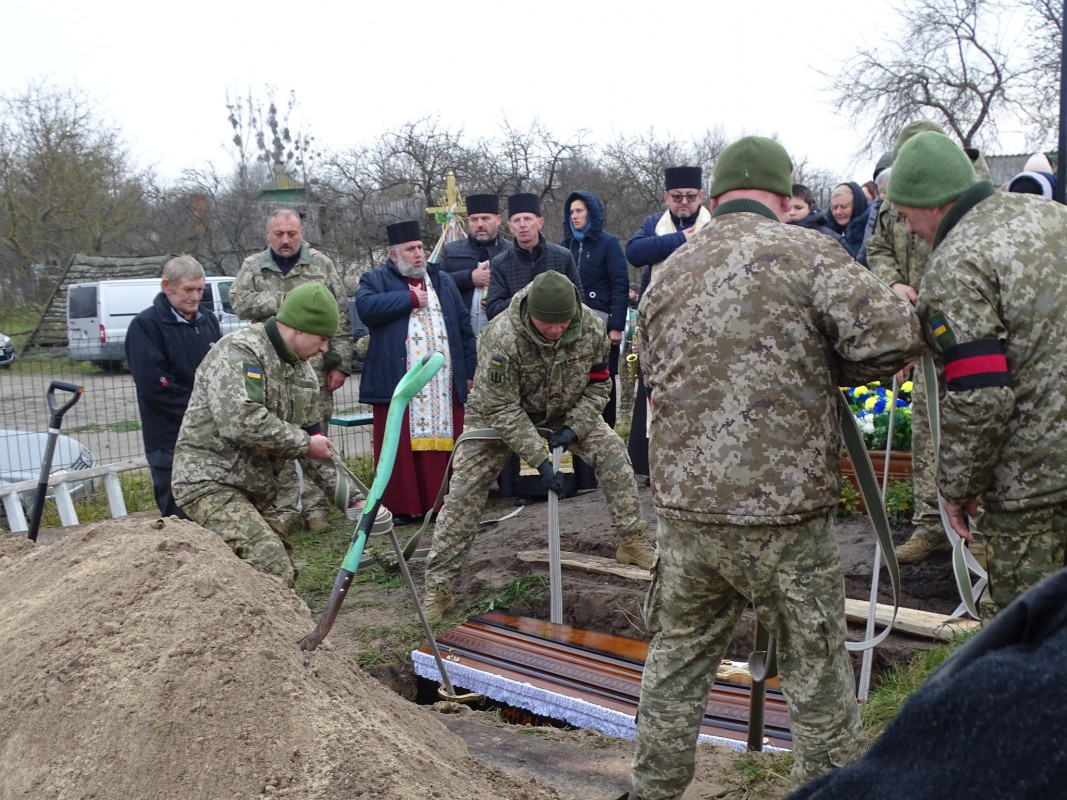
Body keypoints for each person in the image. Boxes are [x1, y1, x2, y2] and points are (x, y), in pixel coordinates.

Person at [624, 136, 921, 798]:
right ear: (785, 197)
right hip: (785, 519)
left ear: (717, 194)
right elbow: (894, 338)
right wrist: (826, 369)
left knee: (675, 662)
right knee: (816, 675)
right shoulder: (809, 251)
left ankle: (651, 789)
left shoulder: (666, 273)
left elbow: (646, 381)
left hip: (686, 518)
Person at [886, 129, 1067, 621]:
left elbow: (981, 393)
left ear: (932, 202)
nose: (908, 231)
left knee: (1024, 637)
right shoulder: (1054, 217)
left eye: (905, 216)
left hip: (1031, 488)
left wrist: (955, 488)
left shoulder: (955, 263)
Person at [420, 271, 657, 623]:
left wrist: (575, 426)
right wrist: (540, 458)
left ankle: (632, 540)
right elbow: (501, 407)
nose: (555, 331)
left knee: (612, 452)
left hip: (564, 412)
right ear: (531, 314)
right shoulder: (502, 336)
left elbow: (599, 385)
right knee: (465, 493)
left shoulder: (591, 328)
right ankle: (439, 586)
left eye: (562, 324)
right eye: (547, 325)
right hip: (497, 415)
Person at [173, 283, 360, 587]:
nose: (326, 349)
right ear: (299, 329)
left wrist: (355, 502)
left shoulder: (303, 374)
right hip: (208, 481)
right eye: (323, 338)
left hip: (253, 489)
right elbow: (240, 420)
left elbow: (316, 449)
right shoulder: (241, 350)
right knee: (271, 566)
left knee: (273, 571)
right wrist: (303, 443)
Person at [867, 120, 990, 566]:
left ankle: (980, 530)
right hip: (923, 327)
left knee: (975, 414)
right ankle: (930, 525)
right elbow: (877, 248)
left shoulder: (972, 196)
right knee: (926, 426)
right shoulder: (888, 206)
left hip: (969, 326)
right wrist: (894, 283)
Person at [229, 209, 353, 533]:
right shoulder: (253, 266)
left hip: (314, 369)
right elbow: (239, 301)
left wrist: (339, 363)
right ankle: (285, 509)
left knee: (315, 435)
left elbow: (339, 315)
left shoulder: (321, 265)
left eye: (292, 234)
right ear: (268, 235)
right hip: (270, 368)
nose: (286, 240)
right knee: (276, 436)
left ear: (302, 233)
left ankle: (317, 508)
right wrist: (287, 303)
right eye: (279, 234)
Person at [356, 220, 477, 526]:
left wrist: (469, 371)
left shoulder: (442, 280)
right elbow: (366, 308)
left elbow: (464, 329)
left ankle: (442, 506)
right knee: (399, 448)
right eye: (410, 249)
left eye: (420, 247)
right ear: (394, 255)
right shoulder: (375, 279)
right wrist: (409, 300)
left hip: (442, 384)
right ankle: (402, 507)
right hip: (399, 383)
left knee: (446, 444)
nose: (419, 254)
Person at [624, 166, 711, 477]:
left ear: (701, 196)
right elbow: (634, 252)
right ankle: (653, 461)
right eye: (677, 197)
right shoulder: (653, 224)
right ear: (666, 197)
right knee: (656, 391)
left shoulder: (712, 224)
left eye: (690, 197)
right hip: (661, 325)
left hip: (702, 324)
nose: (684, 202)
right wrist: (681, 238)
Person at [125, 255, 221, 518]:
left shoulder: (208, 321)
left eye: (200, 289)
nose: (195, 296)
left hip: (209, 439)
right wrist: (201, 412)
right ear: (167, 286)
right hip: (169, 442)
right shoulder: (146, 326)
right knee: (178, 517)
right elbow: (154, 386)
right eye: (188, 289)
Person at [560, 190, 629, 427]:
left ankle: (606, 442)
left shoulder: (608, 243)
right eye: (571, 212)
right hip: (570, 327)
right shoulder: (565, 244)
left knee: (603, 385)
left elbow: (620, 285)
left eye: (579, 211)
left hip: (602, 325)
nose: (575, 216)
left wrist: (616, 327)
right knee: (575, 386)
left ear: (591, 212)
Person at [485, 193, 582, 321]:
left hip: (557, 332)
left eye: (528, 219)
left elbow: (579, 303)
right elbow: (493, 310)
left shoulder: (563, 257)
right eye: (516, 220)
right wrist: (529, 297)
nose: (522, 225)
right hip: (516, 336)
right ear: (510, 227)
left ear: (540, 222)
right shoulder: (501, 263)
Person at [436, 193, 512, 336]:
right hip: (460, 335)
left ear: (498, 219)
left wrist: (498, 302)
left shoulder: (512, 253)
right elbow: (435, 284)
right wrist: (469, 278)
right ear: (468, 221)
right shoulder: (451, 251)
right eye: (474, 219)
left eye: (485, 218)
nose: (480, 224)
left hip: (501, 336)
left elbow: (525, 293)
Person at [826, 181, 870, 259]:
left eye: (844, 207)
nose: (838, 212)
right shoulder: (825, 232)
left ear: (857, 206)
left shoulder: (870, 232)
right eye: (835, 207)